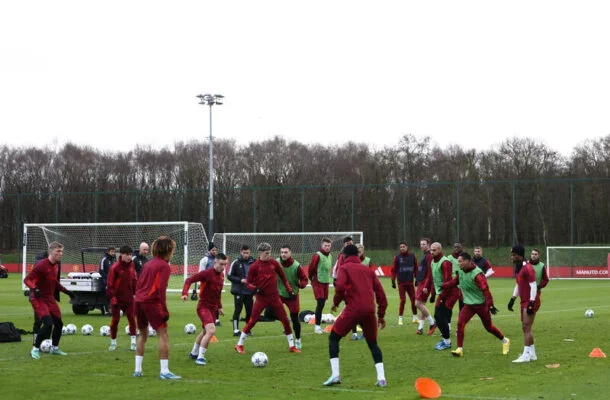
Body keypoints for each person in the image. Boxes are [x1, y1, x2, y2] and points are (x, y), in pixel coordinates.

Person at [323, 244, 388, 387]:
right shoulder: (368, 270)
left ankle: (335, 375)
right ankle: (382, 378)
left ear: (345, 256)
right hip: (370, 311)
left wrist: (335, 303)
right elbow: (381, 294)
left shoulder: (344, 268)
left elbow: (339, 287)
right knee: (373, 344)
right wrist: (381, 315)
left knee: (333, 338)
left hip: (353, 310)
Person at [440, 252, 510, 357]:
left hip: (481, 305)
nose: (459, 264)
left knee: (489, 327)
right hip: (468, 305)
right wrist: (444, 285)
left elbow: (485, 289)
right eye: (458, 262)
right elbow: (455, 282)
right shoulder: (461, 271)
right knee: (460, 324)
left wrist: (490, 305)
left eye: (460, 261)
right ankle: (459, 349)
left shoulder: (477, 274)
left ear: (468, 261)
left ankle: (505, 341)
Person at [234, 242, 300, 354]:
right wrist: (255, 289)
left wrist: (289, 290)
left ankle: (292, 346)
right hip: (261, 299)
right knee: (252, 321)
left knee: (285, 320)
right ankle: (239, 344)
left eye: (269, 253)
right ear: (260, 253)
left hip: (275, 298)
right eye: (266, 253)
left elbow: (283, 278)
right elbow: (248, 283)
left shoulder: (274, 263)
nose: (269, 255)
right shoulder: (254, 266)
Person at [133, 236, 181, 379]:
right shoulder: (164, 266)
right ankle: (164, 371)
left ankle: (137, 370)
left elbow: (139, 284)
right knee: (163, 334)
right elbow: (161, 289)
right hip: (152, 302)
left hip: (139, 301)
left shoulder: (148, 264)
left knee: (142, 335)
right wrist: (164, 309)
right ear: (168, 250)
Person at [24, 241, 75, 359]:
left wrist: (67, 291)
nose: (60, 254)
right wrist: (34, 288)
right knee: (47, 324)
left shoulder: (56, 265)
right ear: (51, 252)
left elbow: (54, 282)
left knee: (59, 324)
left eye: (61, 251)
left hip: (49, 298)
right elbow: (27, 280)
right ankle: (35, 349)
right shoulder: (41, 265)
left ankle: (54, 348)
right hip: (38, 298)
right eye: (58, 251)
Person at [182, 253, 228, 365]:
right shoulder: (206, 274)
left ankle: (193, 353)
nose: (223, 267)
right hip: (203, 307)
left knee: (204, 332)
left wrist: (220, 307)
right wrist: (185, 293)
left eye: (225, 265)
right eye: (221, 264)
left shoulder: (221, 276)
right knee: (211, 330)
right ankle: (200, 357)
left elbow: (218, 293)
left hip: (213, 309)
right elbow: (188, 280)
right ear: (215, 262)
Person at [507, 244, 539, 363]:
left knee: (526, 327)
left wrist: (531, 302)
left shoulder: (527, 268)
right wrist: (513, 298)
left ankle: (526, 355)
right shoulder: (519, 268)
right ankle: (532, 354)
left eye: (514, 255)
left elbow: (533, 286)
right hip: (524, 300)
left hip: (530, 300)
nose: (512, 257)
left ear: (519, 255)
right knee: (526, 327)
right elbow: (518, 284)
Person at [106, 245, 138, 351]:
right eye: (127, 255)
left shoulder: (132, 265)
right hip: (117, 300)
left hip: (129, 299)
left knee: (132, 319)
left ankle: (133, 342)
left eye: (131, 255)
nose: (129, 257)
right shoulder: (115, 268)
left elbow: (134, 280)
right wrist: (113, 298)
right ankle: (113, 342)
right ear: (122, 255)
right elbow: (110, 285)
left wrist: (136, 292)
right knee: (115, 320)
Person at [430, 242, 460, 351]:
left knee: (440, 315)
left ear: (440, 250)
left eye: (434, 250)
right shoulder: (433, 262)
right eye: (431, 250)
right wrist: (433, 294)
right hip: (443, 292)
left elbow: (448, 282)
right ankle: (446, 340)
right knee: (438, 316)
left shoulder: (445, 262)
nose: (432, 252)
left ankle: (447, 342)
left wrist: (442, 296)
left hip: (451, 292)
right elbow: (434, 279)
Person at [277, 245, 308, 350]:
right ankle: (285, 322)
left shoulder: (296, 266)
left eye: (285, 252)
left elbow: (304, 279)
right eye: (281, 252)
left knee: (295, 319)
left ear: (290, 253)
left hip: (292, 296)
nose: (283, 254)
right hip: (279, 294)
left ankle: (298, 340)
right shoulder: (276, 262)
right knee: (270, 312)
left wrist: (301, 285)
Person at [227, 244, 255, 336]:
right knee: (238, 310)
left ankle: (247, 329)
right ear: (241, 252)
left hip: (249, 291)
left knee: (249, 311)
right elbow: (229, 276)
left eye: (247, 253)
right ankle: (236, 330)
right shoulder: (236, 262)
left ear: (249, 252)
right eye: (244, 253)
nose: (246, 255)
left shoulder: (254, 262)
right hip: (239, 291)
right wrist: (240, 280)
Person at [307, 237, 333, 334]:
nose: (327, 247)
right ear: (322, 246)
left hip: (326, 281)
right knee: (320, 302)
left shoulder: (330, 255)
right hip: (318, 281)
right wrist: (312, 278)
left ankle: (318, 326)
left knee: (322, 304)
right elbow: (311, 268)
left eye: (329, 246)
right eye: (325, 245)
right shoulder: (317, 255)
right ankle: (317, 327)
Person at [391, 242, 418, 326]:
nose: (402, 248)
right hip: (401, 283)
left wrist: (417, 278)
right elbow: (394, 269)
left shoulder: (412, 256)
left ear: (407, 247)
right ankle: (400, 319)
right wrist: (393, 280)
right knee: (402, 300)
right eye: (401, 247)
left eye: (403, 246)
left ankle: (415, 318)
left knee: (413, 300)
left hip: (410, 282)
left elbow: (416, 268)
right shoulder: (397, 257)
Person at [415, 238, 436, 335]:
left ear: (428, 245)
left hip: (425, 283)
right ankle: (420, 328)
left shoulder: (428, 256)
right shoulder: (426, 255)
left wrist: (426, 285)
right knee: (422, 304)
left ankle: (432, 323)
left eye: (424, 244)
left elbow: (430, 271)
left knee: (418, 304)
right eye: (421, 244)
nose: (422, 246)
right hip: (421, 282)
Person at [100, 247, 116, 315]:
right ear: (108, 252)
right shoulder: (104, 259)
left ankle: (112, 310)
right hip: (105, 281)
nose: (113, 253)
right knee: (106, 296)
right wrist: (106, 281)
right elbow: (101, 271)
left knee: (112, 296)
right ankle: (105, 311)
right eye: (112, 252)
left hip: (112, 282)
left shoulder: (113, 260)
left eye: (114, 252)